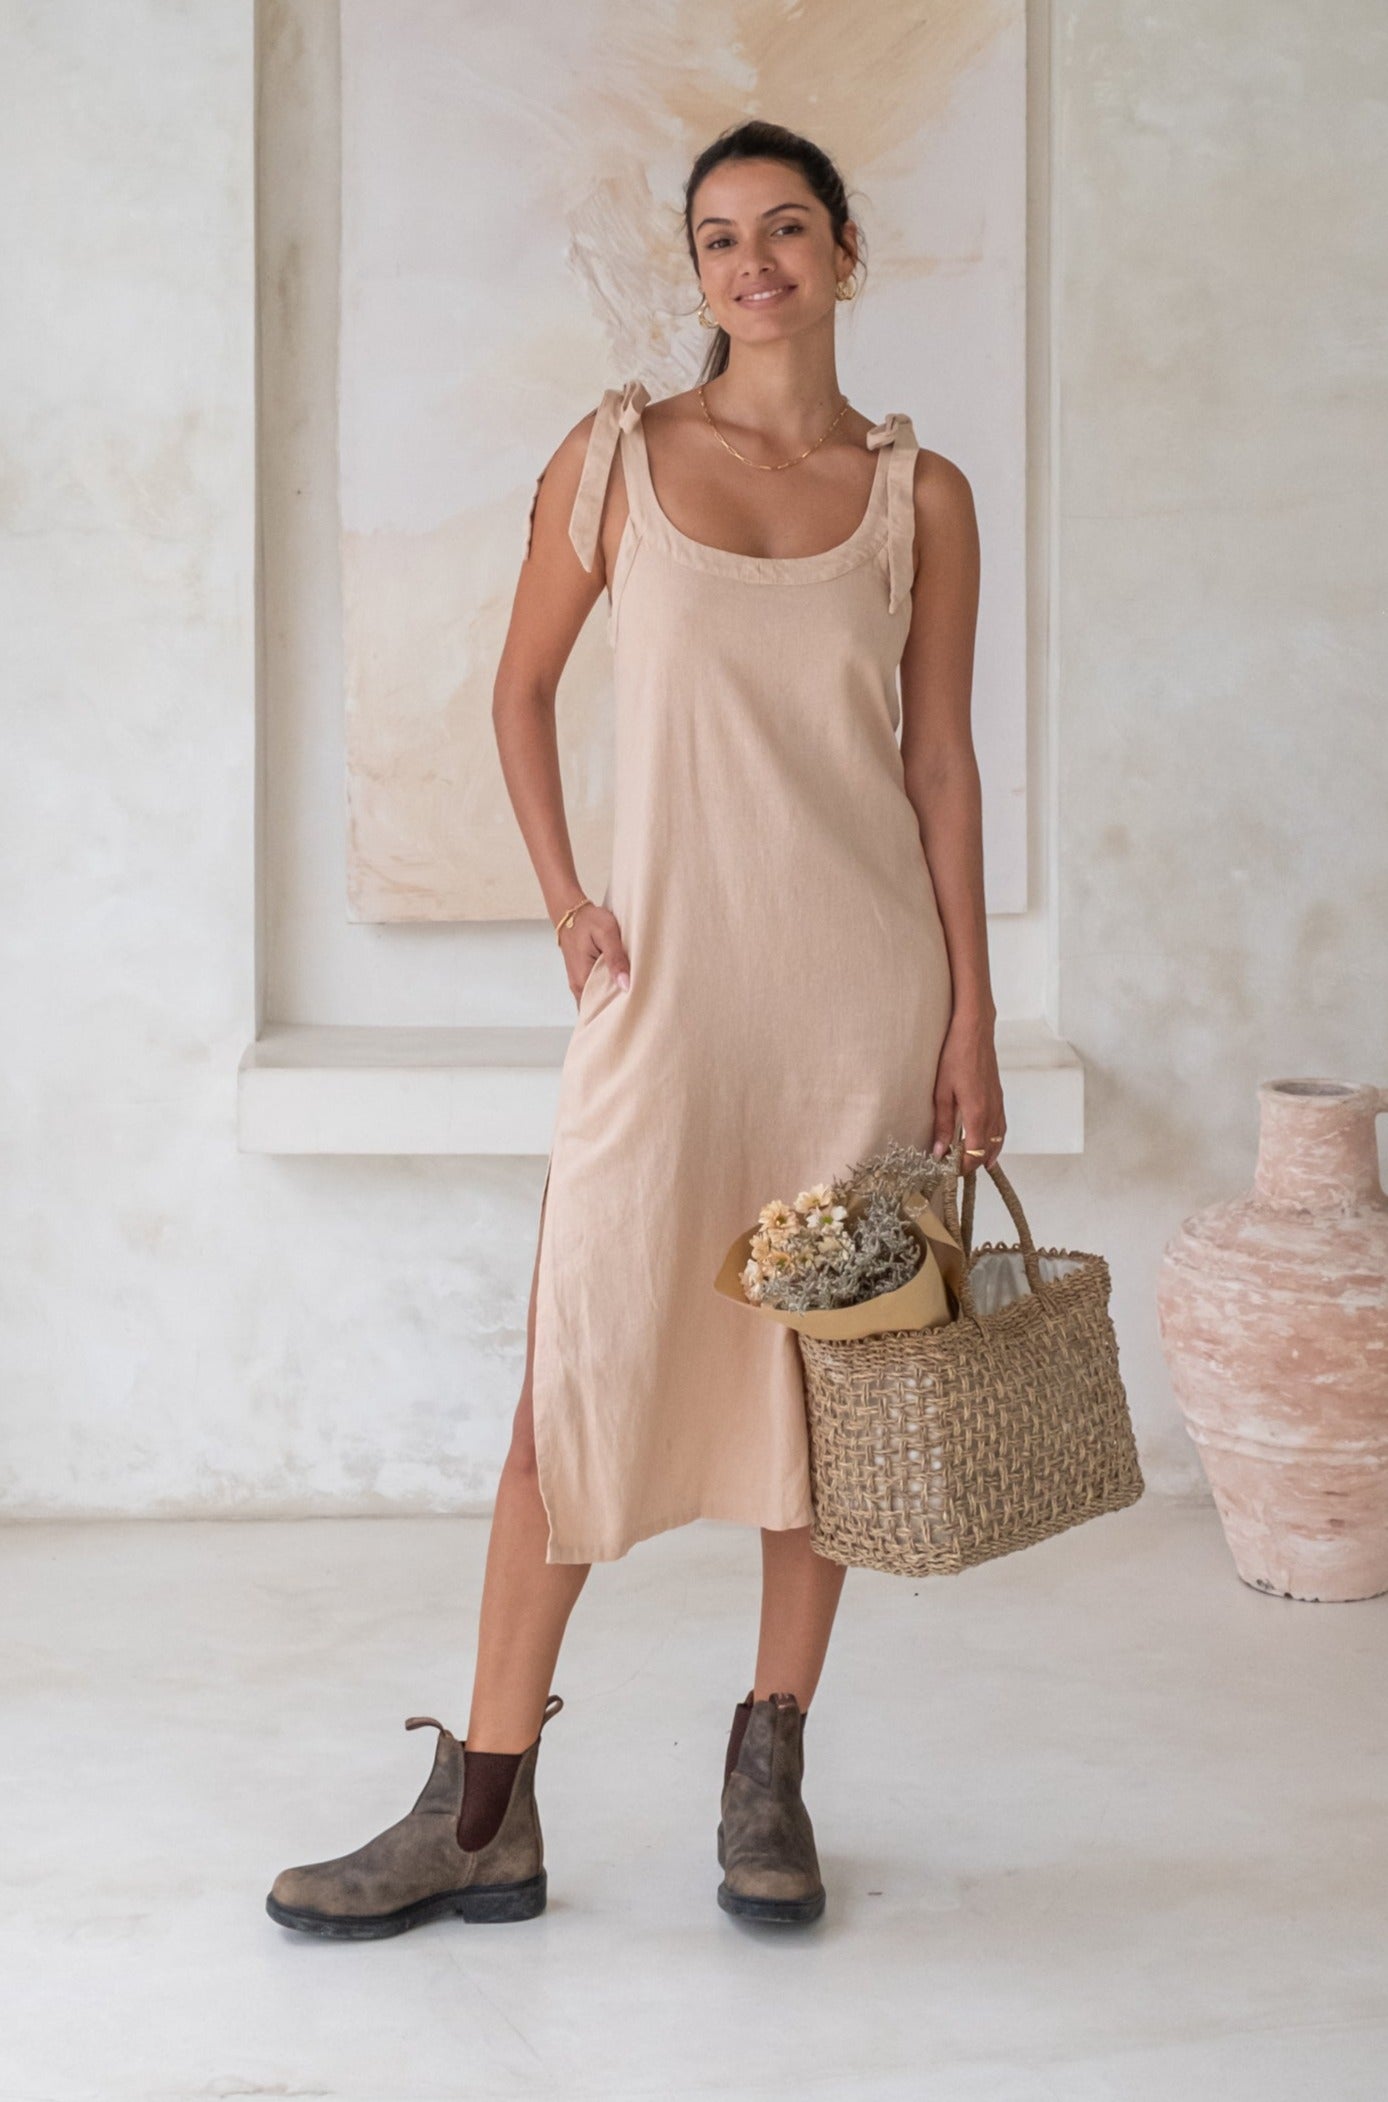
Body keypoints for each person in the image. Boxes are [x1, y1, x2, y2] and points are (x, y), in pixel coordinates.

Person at [266, 118, 1005, 1940]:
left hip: (860, 995)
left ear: (846, 250)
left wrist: (972, 1009)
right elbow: (517, 687)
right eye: (718, 239)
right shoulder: (618, 456)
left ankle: (772, 1760)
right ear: (696, 275)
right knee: (569, 1388)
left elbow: (938, 763)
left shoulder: (923, 497)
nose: (752, 263)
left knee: (833, 1395)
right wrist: (569, 902)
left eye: (784, 229)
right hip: (667, 998)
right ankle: (483, 1812)